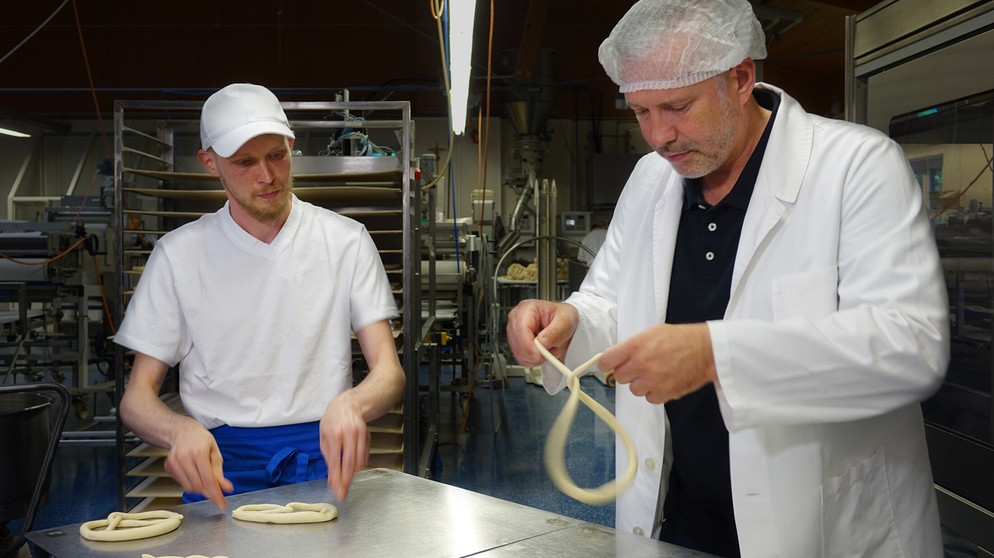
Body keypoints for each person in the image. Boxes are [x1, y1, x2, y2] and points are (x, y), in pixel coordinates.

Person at [505, 1, 950, 556]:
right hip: (681, 516)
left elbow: (910, 346)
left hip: (818, 525)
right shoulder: (649, 181)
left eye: (677, 106)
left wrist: (716, 354)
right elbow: (611, 302)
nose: (659, 136)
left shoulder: (856, 166)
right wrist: (571, 323)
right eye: (641, 111)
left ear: (740, 78)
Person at [116, 83, 405, 510]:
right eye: (244, 162)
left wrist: (355, 403)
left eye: (276, 156)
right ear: (210, 163)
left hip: (322, 461)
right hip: (219, 470)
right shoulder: (179, 255)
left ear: (291, 145)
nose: (267, 176)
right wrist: (178, 430)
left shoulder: (345, 241)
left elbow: (390, 373)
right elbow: (137, 396)